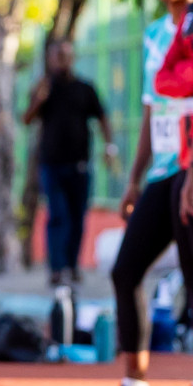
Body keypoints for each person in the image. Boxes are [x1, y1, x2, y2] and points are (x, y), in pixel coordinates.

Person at [81, 0, 193, 386]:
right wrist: (133, 178)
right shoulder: (152, 34)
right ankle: (135, 385)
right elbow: (153, 109)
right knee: (126, 270)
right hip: (164, 170)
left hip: (192, 169)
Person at [22, 39, 115, 286]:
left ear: (73, 57)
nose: (62, 60)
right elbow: (26, 119)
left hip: (80, 164)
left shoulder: (85, 88)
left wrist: (110, 147)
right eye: (57, 55)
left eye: (66, 55)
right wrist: (38, 100)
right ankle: (56, 268)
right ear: (51, 59)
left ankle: (72, 266)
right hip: (51, 164)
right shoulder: (43, 88)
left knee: (77, 216)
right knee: (58, 215)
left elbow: (103, 117)